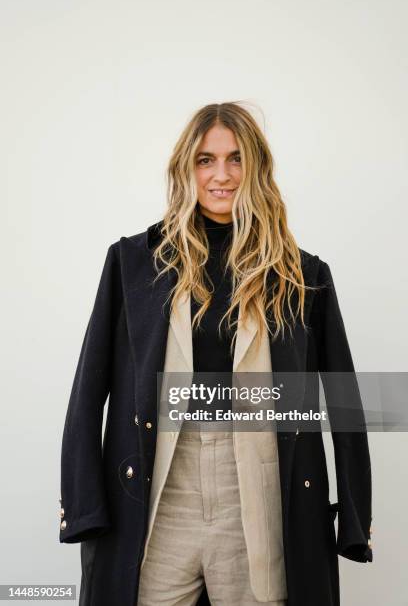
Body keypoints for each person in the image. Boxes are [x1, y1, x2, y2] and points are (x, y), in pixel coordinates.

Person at [59, 102, 373, 606]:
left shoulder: (303, 274)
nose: (221, 175)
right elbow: (87, 390)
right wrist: (84, 504)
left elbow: (345, 404)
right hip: (163, 486)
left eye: (235, 159)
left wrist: (355, 519)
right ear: (186, 167)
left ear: (257, 169)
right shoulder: (132, 262)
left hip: (258, 488)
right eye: (206, 160)